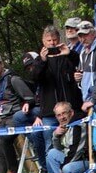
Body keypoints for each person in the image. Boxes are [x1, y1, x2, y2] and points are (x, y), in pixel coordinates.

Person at [27, 26, 83, 161]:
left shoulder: (67, 55)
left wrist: (68, 53)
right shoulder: (40, 61)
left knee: (72, 142)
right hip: (50, 112)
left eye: (54, 40)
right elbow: (34, 77)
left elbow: (79, 62)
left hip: (71, 109)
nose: (52, 43)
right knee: (50, 144)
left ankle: (70, 172)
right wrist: (43, 61)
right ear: (43, 41)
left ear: (59, 39)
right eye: (49, 40)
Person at [0, 53, 36, 173]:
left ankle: (13, 171)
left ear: (2, 64)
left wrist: (27, 104)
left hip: (16, 117)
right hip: (2, 119)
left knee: (4, 139)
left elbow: (30, 97)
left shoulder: (13, 79)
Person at [46, 102, 88, 173]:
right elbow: (59, 148)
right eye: (59, 115)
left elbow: (76, 150)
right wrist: (56, 135)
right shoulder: (65, 126)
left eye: (64, 113)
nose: (62, 117)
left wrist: (62, 168)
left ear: (71, 112)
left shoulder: (78, 124)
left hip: (86, 160)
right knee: (51, 153)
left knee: (67, 169)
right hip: (73, 160)